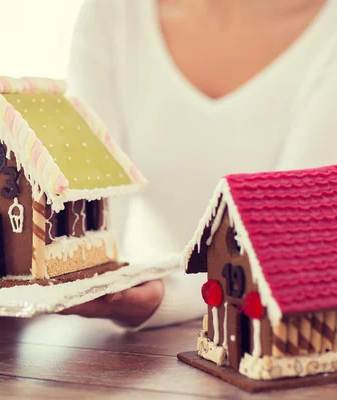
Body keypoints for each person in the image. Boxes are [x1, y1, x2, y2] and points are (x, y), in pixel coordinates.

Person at [63, 0, 337, 329]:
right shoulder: (113, 13)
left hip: (274, 333)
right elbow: (91, 221)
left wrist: (166, 295)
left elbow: (292, 253)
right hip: (135, 337)